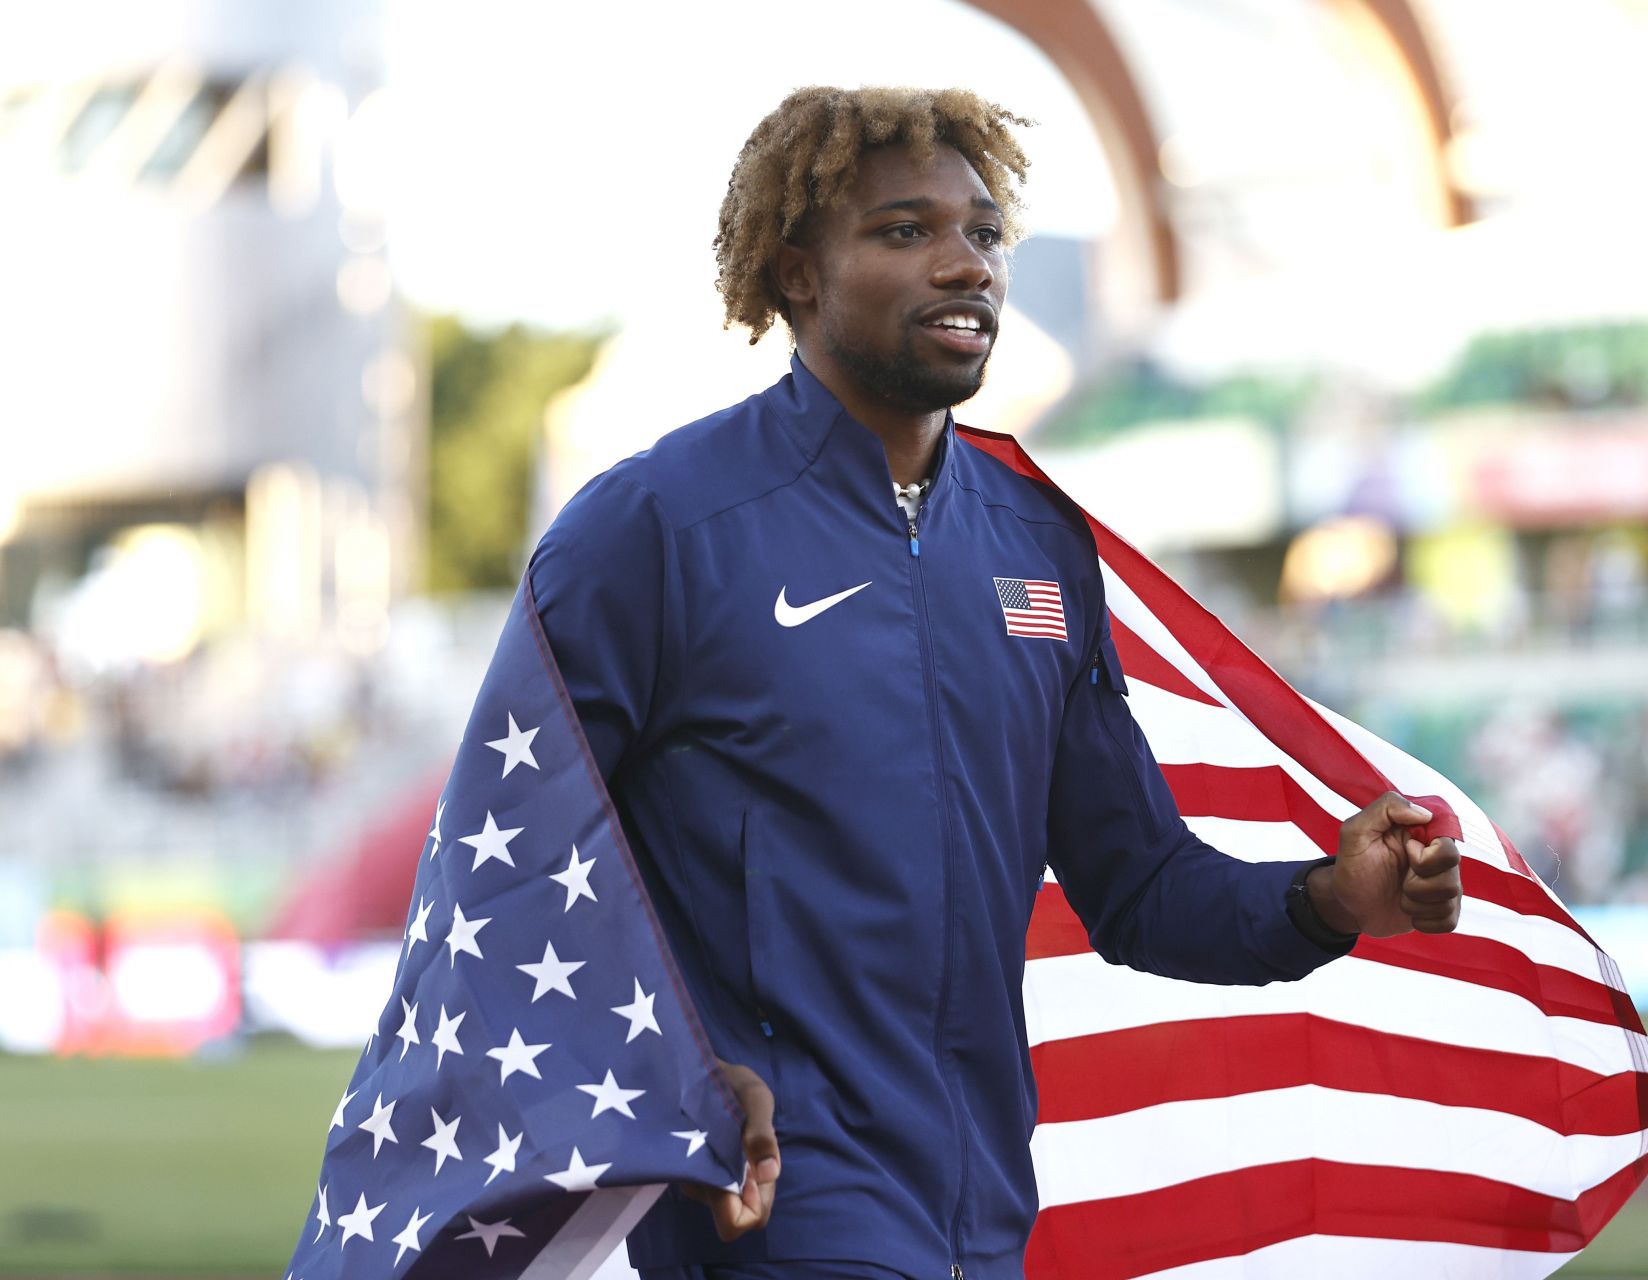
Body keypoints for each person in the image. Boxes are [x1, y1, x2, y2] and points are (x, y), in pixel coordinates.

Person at [528, 86, 1462, 1280]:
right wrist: (673, 1066)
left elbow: (1142, 886)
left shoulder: (1037, 541)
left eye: (982, 233)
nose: (964, 264)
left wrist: (1332, 895)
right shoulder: (654, 526)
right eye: (906, 231)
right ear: (796, 272)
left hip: (980, 1223)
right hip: (765, 1214)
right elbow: (516, 864)